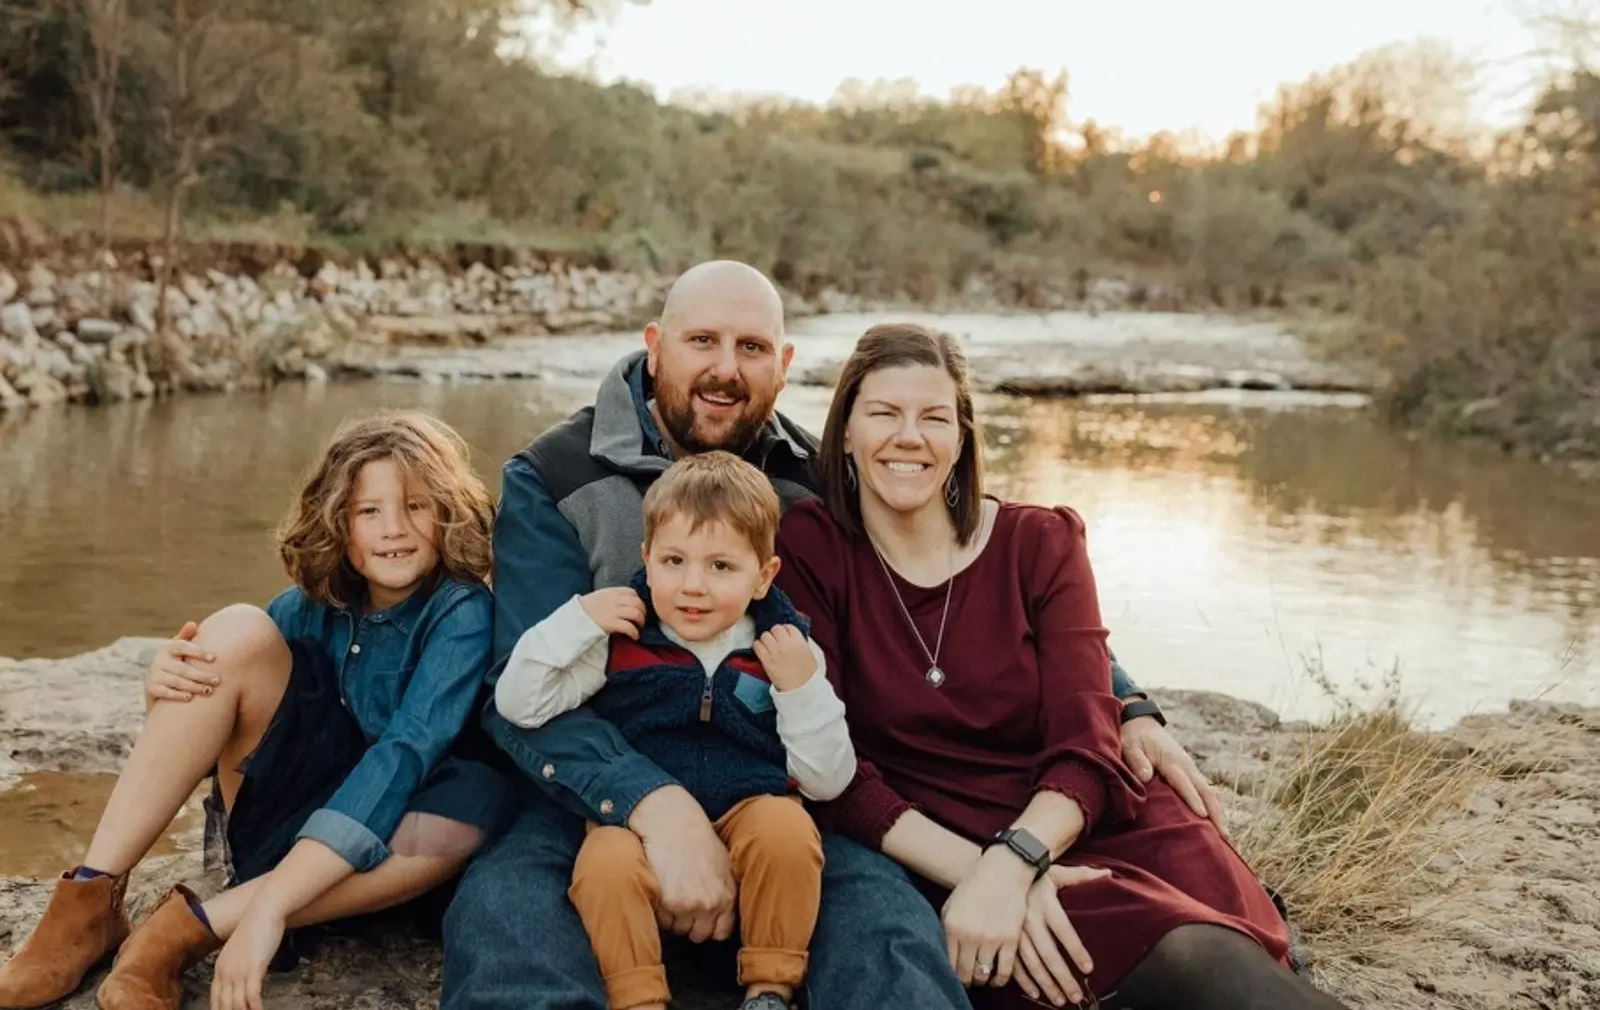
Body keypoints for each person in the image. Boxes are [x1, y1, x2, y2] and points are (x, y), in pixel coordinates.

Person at [441, 260, 1223, 1009]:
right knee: (506, 906)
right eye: (702, 341)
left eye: (752, 348)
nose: (725, 369)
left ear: (784, 366)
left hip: (770, 780)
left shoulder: (815, 478)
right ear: (655, 346)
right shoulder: (556, 475)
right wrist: (654, 805)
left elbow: (983, 570)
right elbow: (518, 688)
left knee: (884, 921)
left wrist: (1124, 698)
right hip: (594, 784)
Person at [776, 322, 1353, 1010]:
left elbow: (1088, 745)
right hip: (933, 839)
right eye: (884, 413)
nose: (909, 437)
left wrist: (1015, 860)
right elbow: (837, 774)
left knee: (1231, 965)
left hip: (1079, 817)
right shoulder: (810, 549)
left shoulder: (1041, 542)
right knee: (1177, 964)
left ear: (962, 436)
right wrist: (984, 876)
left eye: (934, 417)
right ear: (844, 432)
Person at [0, 411, 515, 1010]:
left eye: (416, 506)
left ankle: (188, 930)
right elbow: (223, 719)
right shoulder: (308, 605)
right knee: (236, 630)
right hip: (287, 818)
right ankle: (91, 901)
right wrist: (164, 687)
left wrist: (269, 908)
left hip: (393, 850)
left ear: (448, 511)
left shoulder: (461, 613)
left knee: (474, 802)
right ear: (337, 522)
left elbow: (404, 756)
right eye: (369, 511)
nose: (394, 529)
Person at [495, 451, 856, 1010]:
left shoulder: (785, 650)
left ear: (764, 577)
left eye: (721, 567)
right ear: (646, 557)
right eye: (673, 561)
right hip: (633, 824)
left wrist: (800, 688)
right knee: (603, 864)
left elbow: (827, 779)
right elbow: (520, 704)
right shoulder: (620, 638)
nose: (693, 586)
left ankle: (770, 986)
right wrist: (577, 621)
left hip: (747, 809)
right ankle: (637, 996)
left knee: (788, 831)